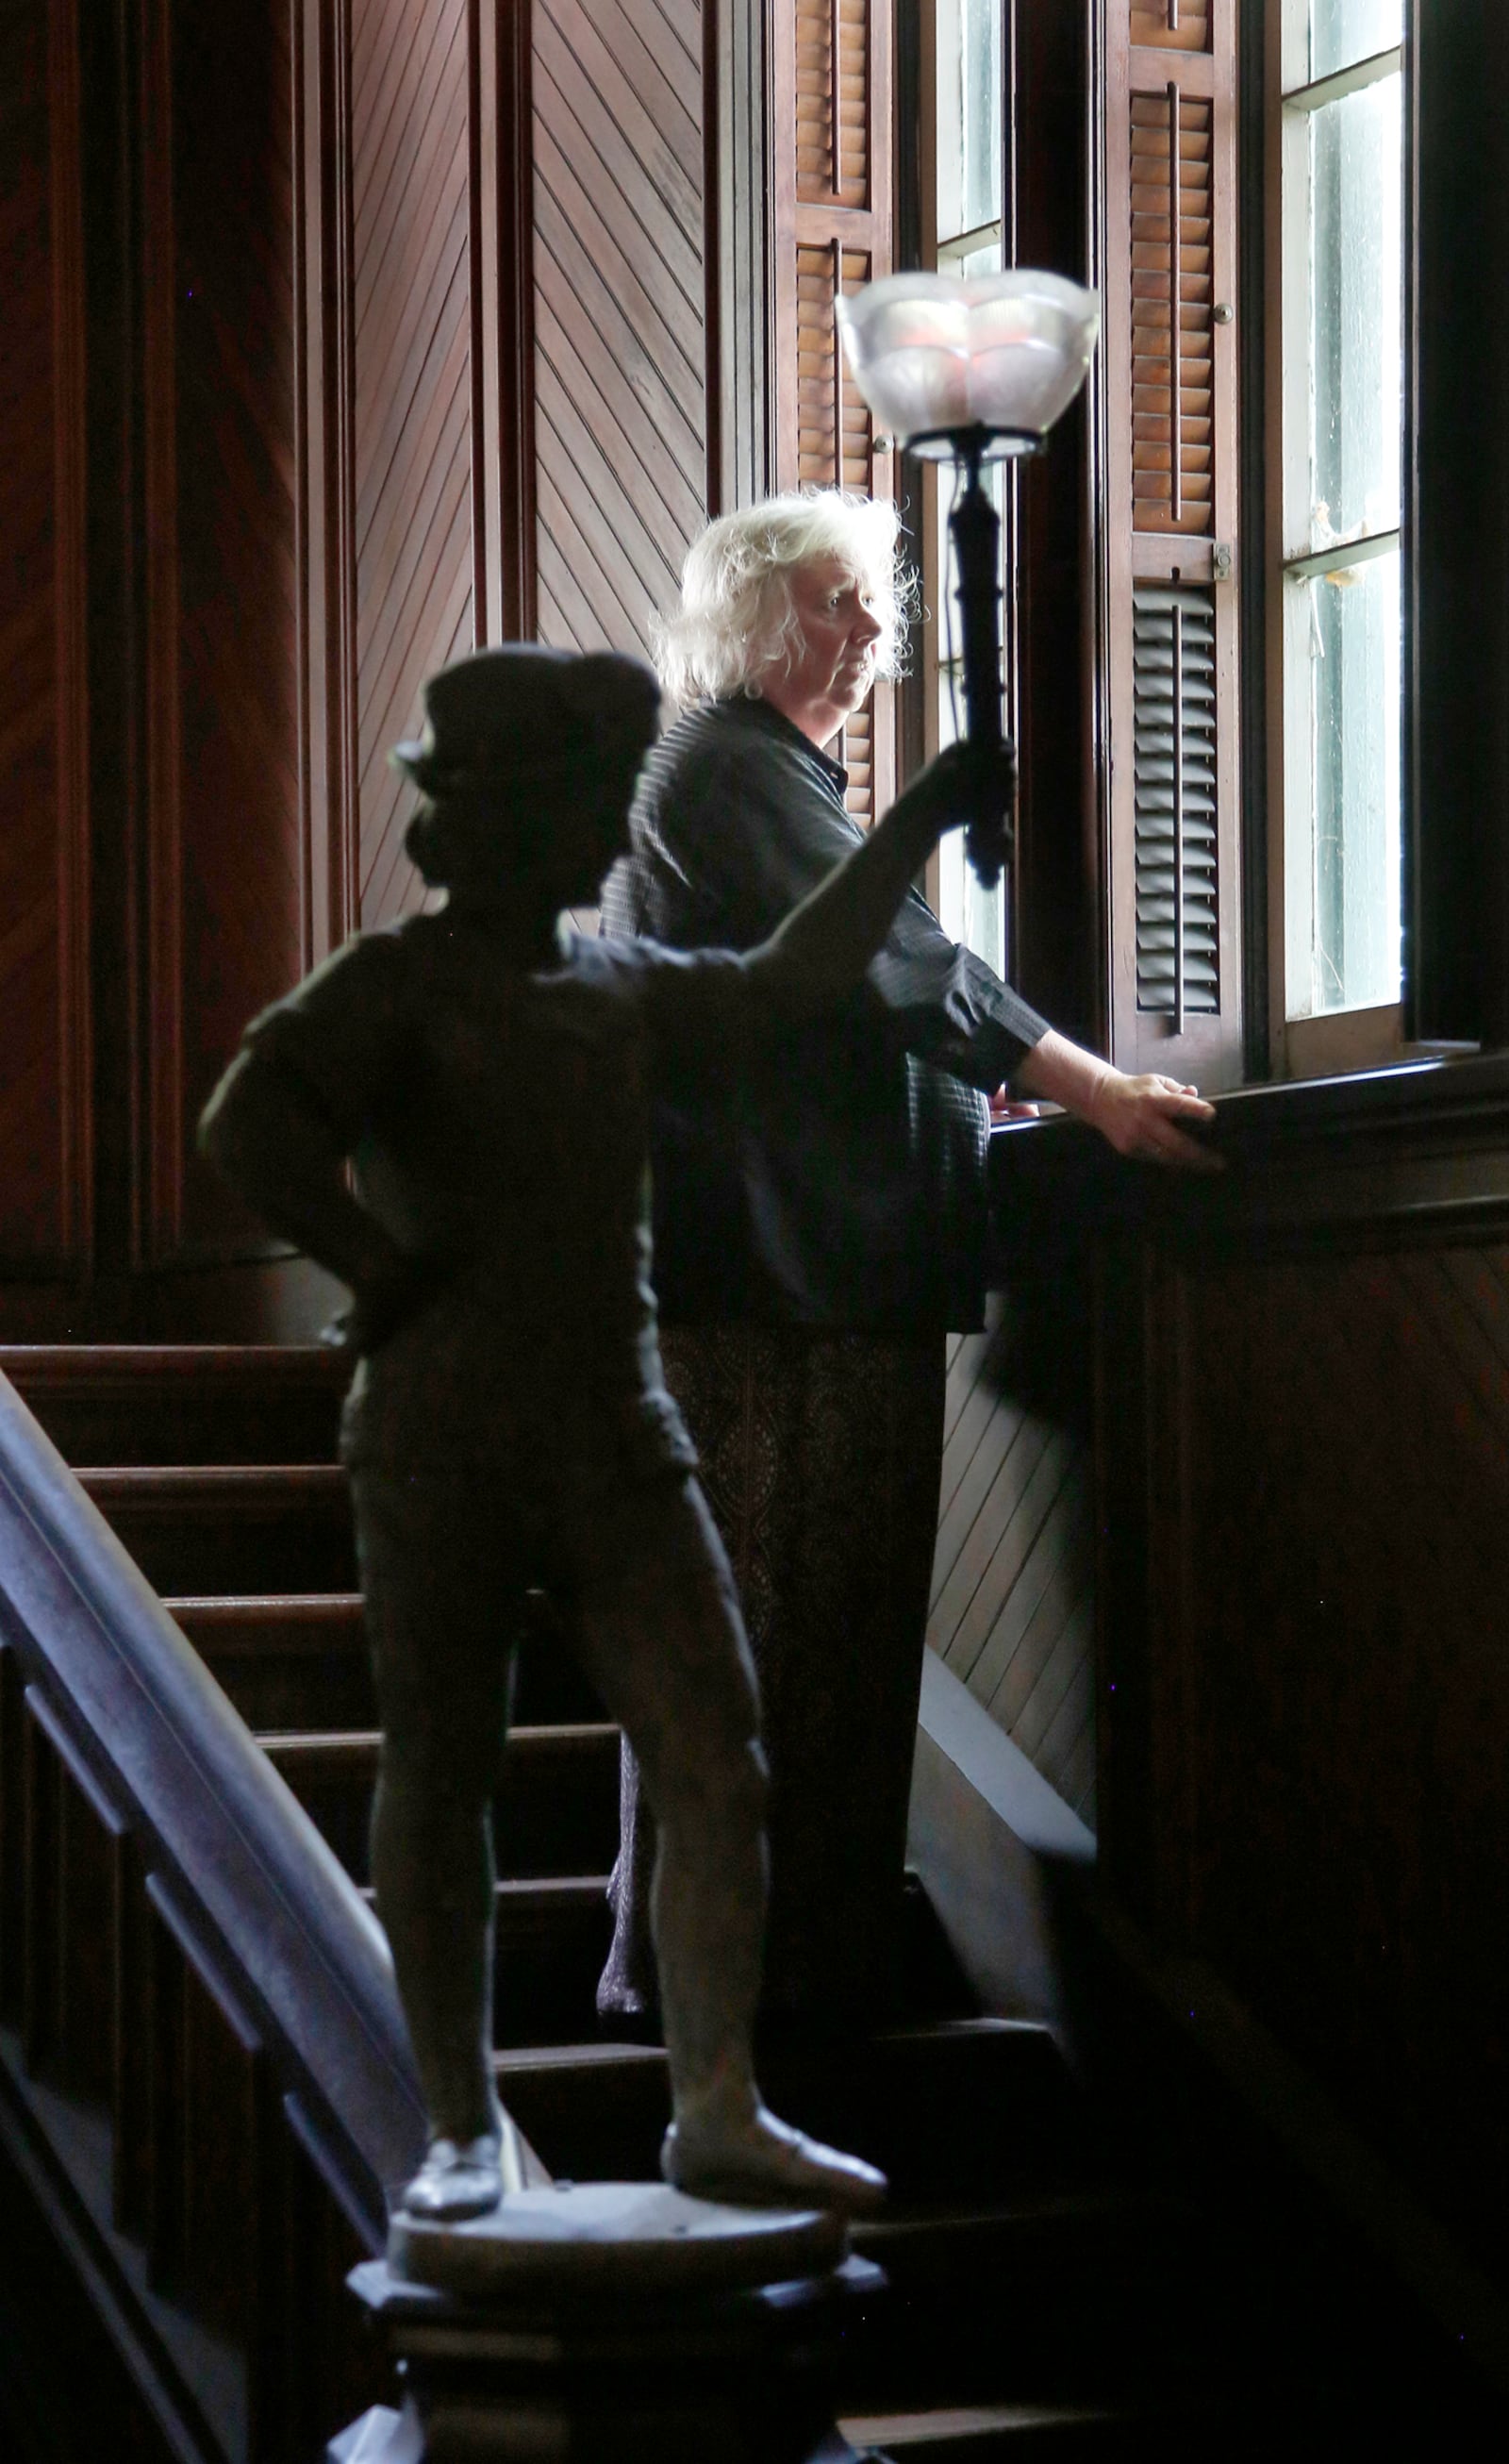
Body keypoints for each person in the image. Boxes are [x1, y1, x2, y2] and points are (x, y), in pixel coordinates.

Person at [198, 641, 1010, 2226]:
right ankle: (452, 2123)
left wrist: (911, 824)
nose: (600, 831)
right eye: (575, 804)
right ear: (492, 821)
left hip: (615, 1431)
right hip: (441, 1434)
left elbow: (783, 982)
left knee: (716, 1750)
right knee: (446, 1772)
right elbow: (249, 1123)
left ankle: (714, 2100)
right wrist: (379, 1269)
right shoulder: (396, 989)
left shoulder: (611, 988)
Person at [596, 489, 1217, 2037]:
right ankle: (732, 2004)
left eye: (880, 605)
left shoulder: (764, 773)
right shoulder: (725, 764)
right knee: (760, 1662)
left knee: (816, 1663)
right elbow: (900, 968)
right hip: (767, 1305)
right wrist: (1097, 1088)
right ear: (752, 619)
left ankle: (769, 1992)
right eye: (837, 603)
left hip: (818, 1289)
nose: (874, 633)